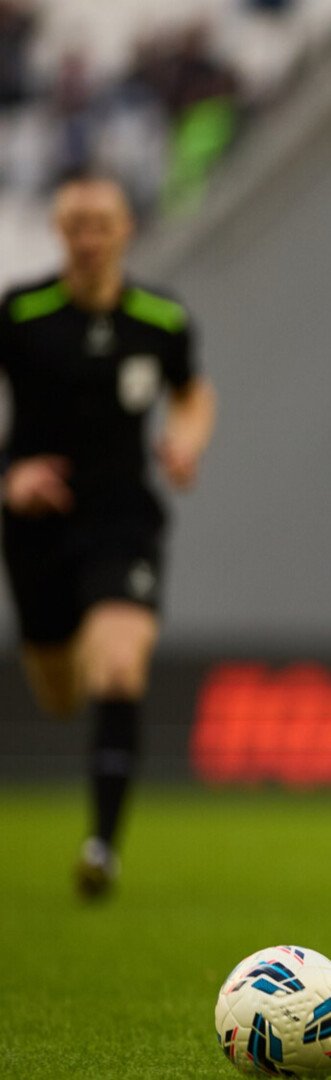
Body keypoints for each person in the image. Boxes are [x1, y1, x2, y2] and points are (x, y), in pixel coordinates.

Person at [0, 171, 216, 899]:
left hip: (122, 520)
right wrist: (11, 474)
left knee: (120, 670)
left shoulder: (161, 318)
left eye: (102, 224)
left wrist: (185, 443)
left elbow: (193, 392)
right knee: (60, 693)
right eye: (76, 225)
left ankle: (101, 848)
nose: (89, 239)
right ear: (59, 232)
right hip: (37, 528)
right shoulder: (21, 313)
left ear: (127, 230)